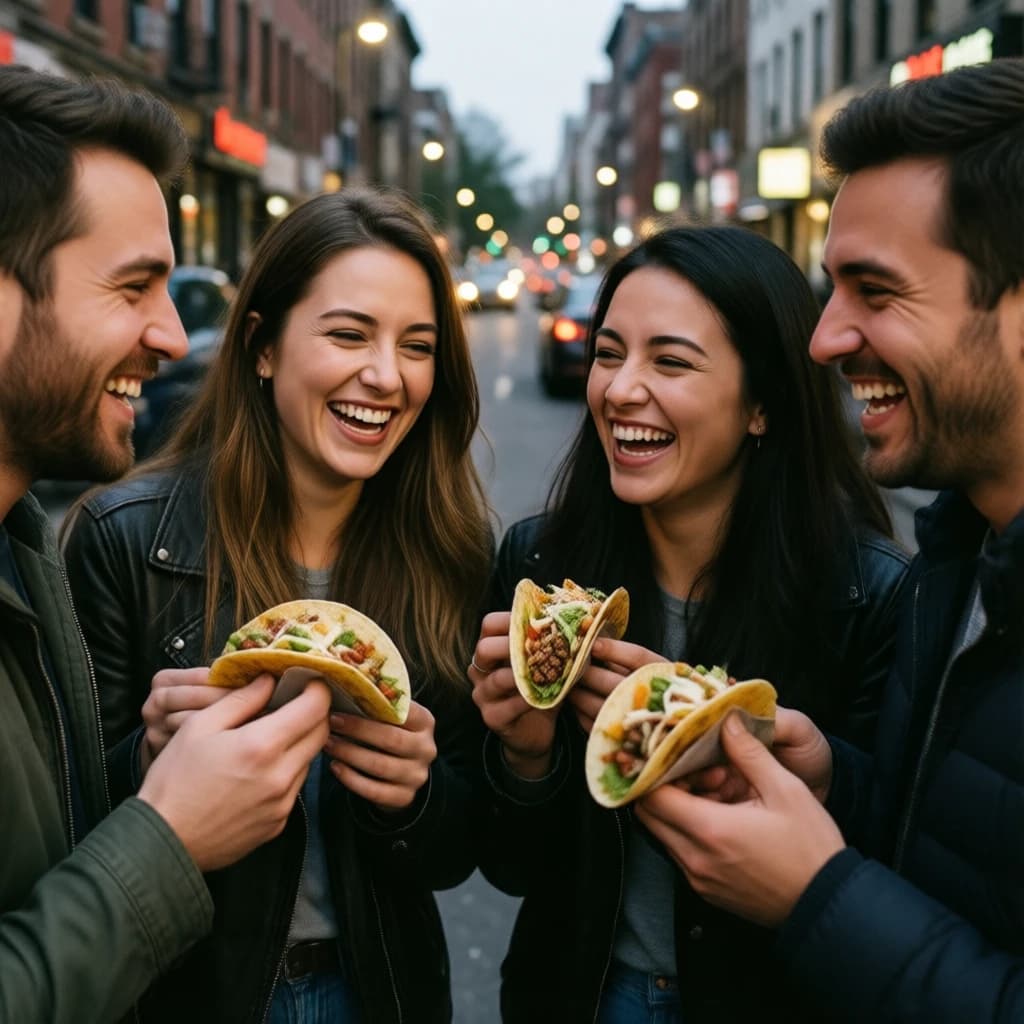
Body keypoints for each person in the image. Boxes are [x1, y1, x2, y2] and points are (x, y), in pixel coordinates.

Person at [632, 58, 1024, 1023]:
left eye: (875, 292)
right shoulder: (954, 564)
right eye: (830, 289)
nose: (823, 340)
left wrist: (817, 896)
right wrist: (839, 782)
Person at [61, 185, 493, 1023]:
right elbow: (58, 828)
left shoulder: (450, 552)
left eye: (417, 346)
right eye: (349, 334)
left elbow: (465, 850)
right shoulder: (125, 539)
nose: (386, 376)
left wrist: (418, 795)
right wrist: (148, 764)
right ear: (262, 346)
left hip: (379, 992)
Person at [469, 224, 909, 1022]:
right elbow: (511, 866)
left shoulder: (868, 594)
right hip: (578, 994)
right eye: (608, 354)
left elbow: (898, 864)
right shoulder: (541, 569)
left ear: (762, 405)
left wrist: (787, 762)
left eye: (670, 362)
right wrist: (525, 755)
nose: (620, 390)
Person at [0, 65, 332, 1023]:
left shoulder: (24, 544)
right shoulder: (91, 532)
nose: (175, 334)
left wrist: (150, 766)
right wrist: (168, 836)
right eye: (134, 286)